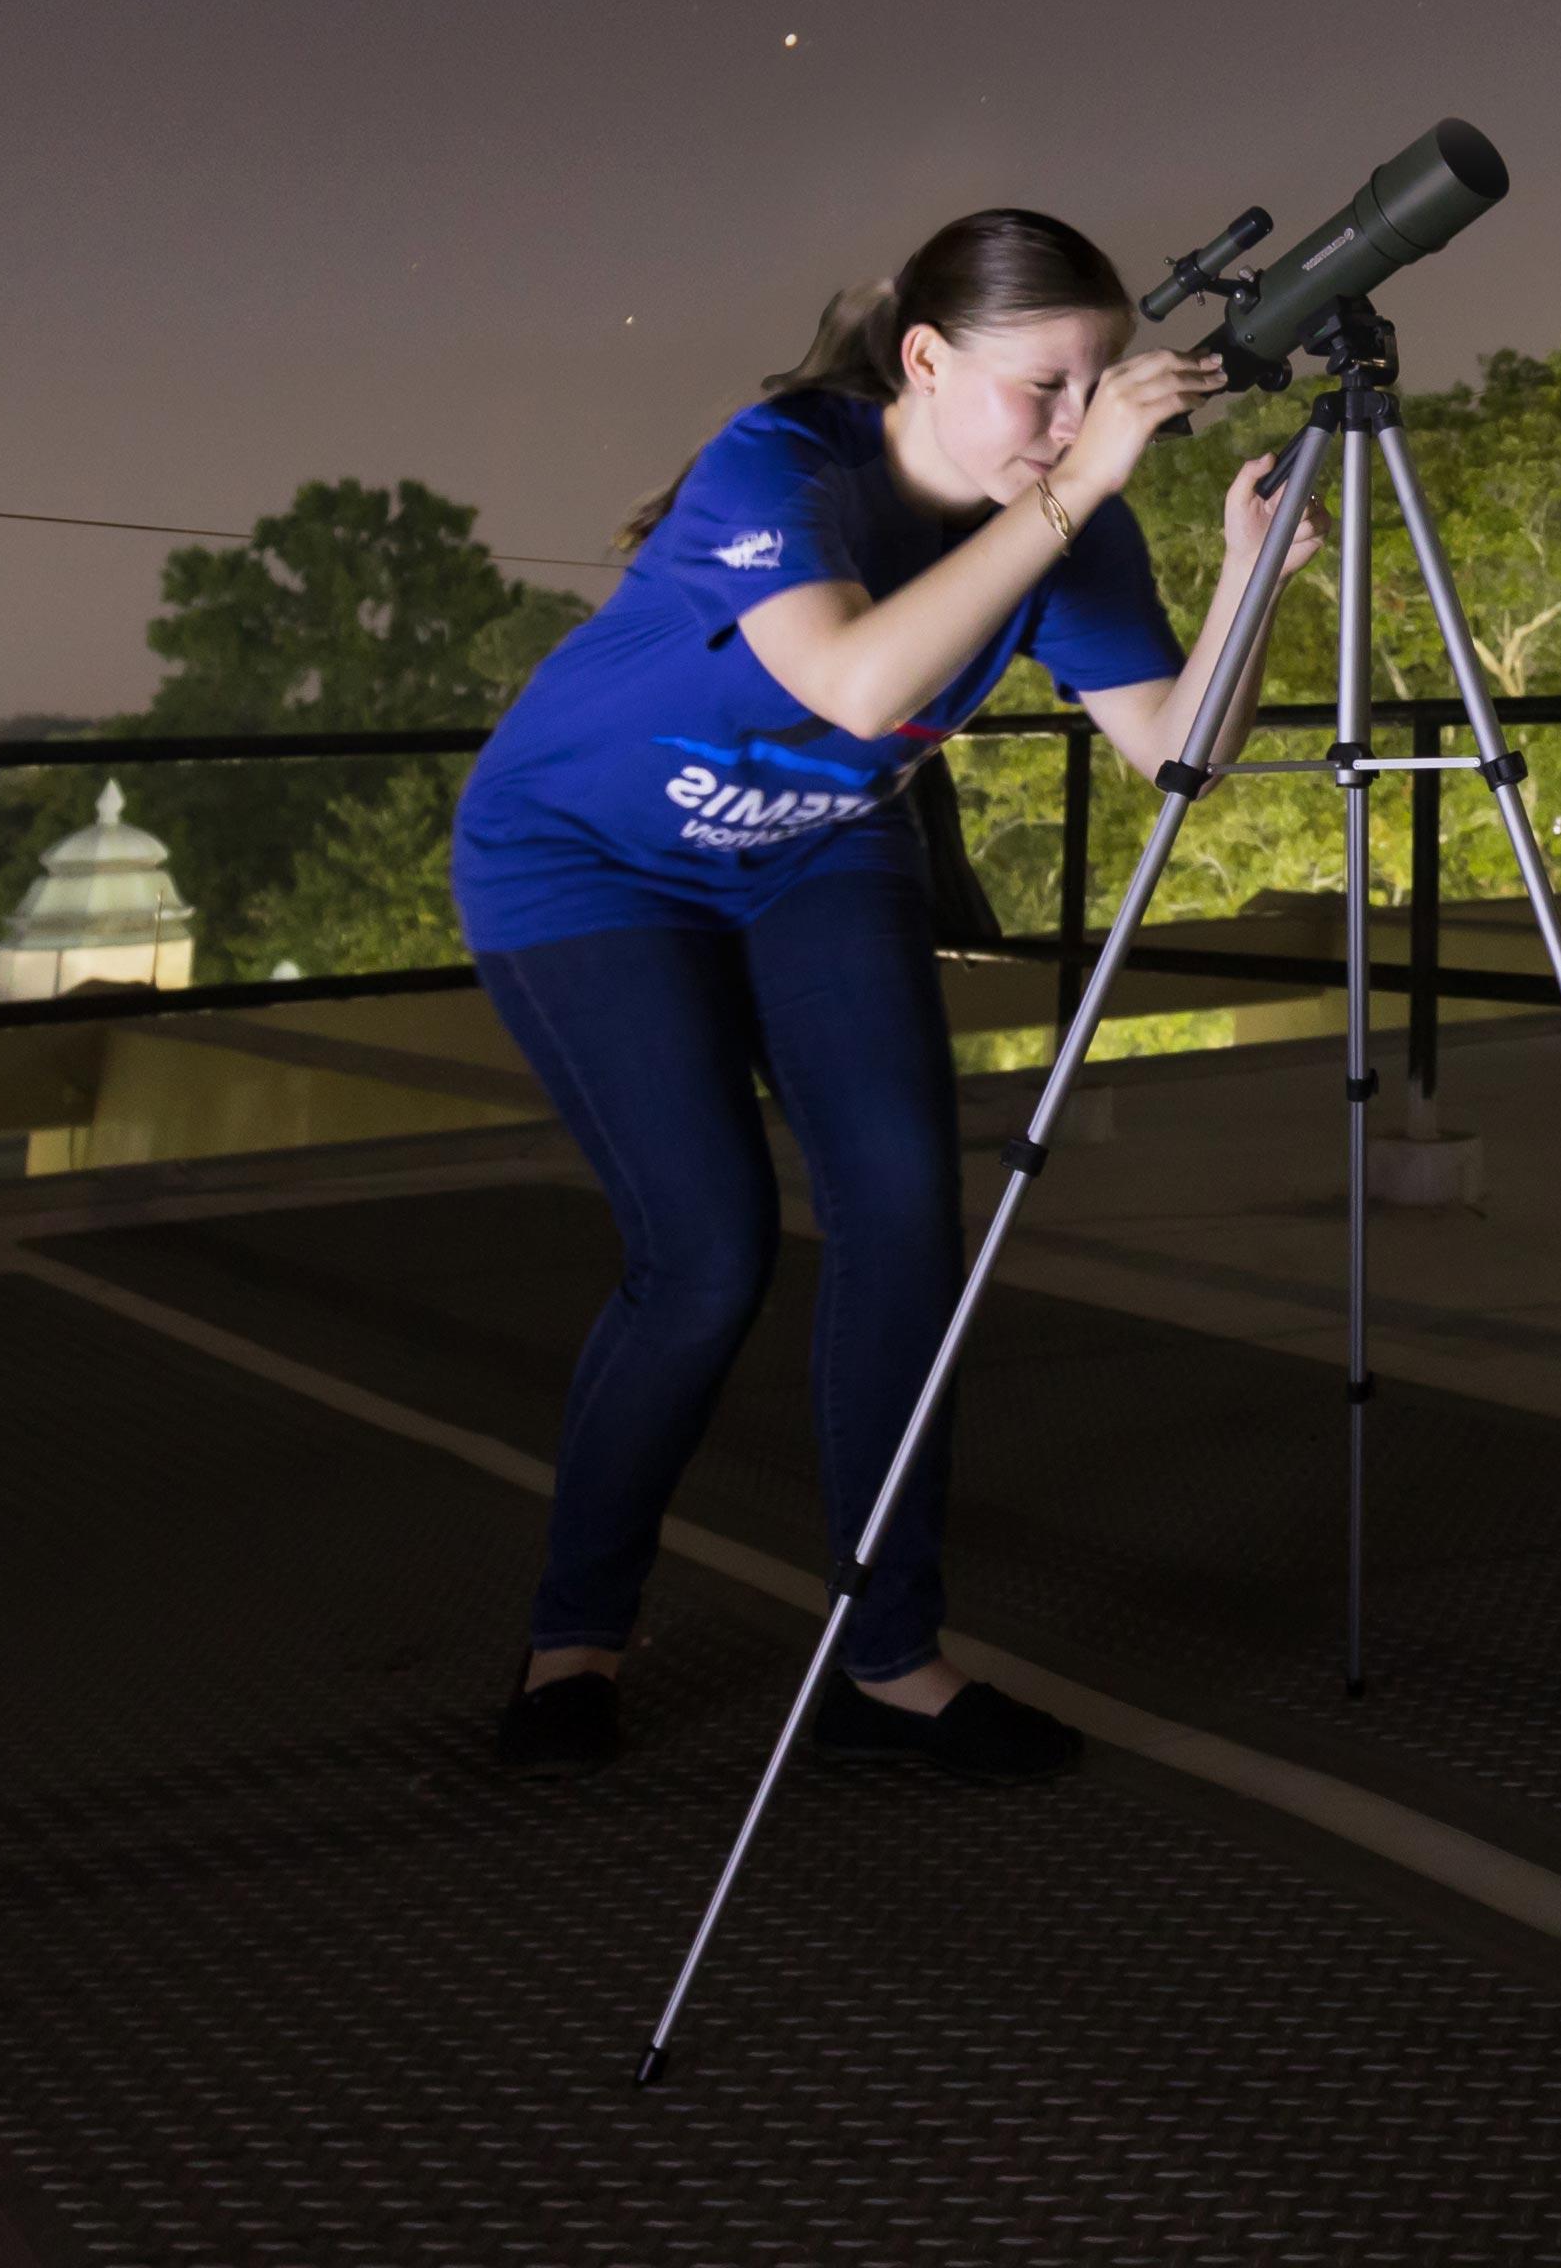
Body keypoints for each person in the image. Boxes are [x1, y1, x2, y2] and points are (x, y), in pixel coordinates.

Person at [451, 207, 1307, 1781]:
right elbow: (856, 683)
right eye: (1041, 386)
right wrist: (1073, 487)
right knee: (703, 1261)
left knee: (908, 1222)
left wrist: (1249, 580)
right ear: (923, 359)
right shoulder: (784, 462)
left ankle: (890, 1659)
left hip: (815, 853)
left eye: (1098, 385)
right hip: (587, 860)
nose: (1075, 419)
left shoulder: (1064, 519)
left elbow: (1179, 749)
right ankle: (577, 1633)